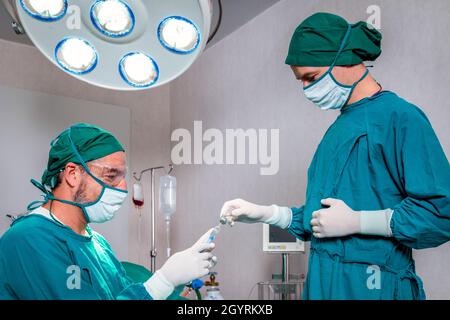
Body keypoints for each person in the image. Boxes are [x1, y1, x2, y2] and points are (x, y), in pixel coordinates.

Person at [220, 12, 450, 300]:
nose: (305, 88)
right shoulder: (338, 130)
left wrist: (360, 222)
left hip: (372, 286)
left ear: (343, 59)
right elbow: (323, 217)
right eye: (300, 81)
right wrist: (267, 213)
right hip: (322, 283)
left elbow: (441, 213)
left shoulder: (400, 118)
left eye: (310, 77)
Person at [0, 123, 216, 300]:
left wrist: (176, 286)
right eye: (111, 176)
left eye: (123, 177)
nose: (123, 188)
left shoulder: (97, 243)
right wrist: (164, 280)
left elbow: (125, 292)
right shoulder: (29, 239)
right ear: (73, 174)